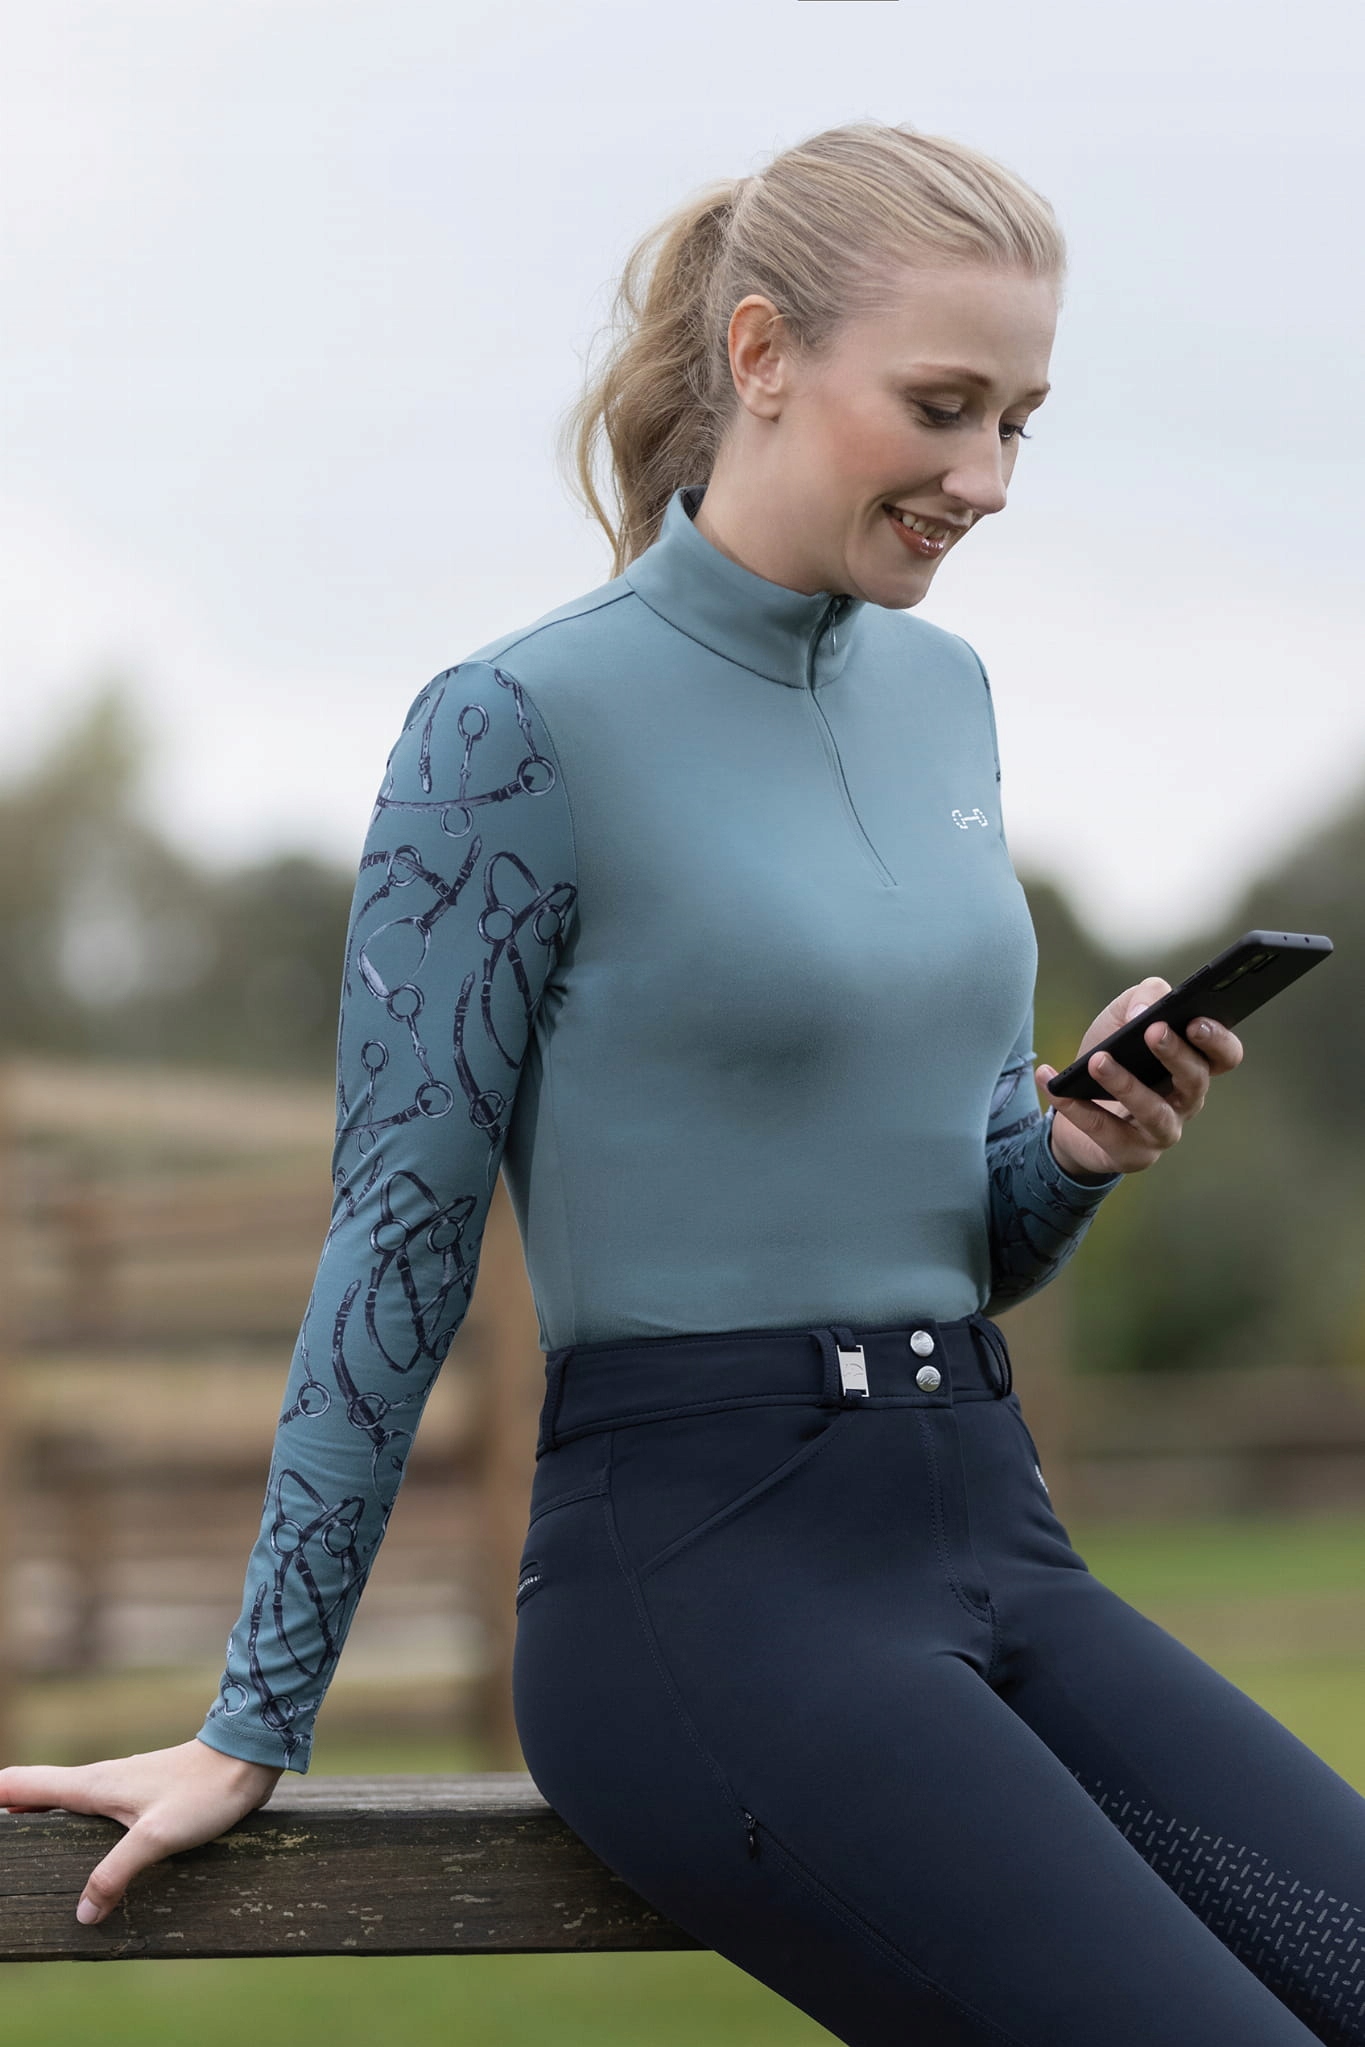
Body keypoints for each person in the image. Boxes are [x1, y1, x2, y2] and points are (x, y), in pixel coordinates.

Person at [3, 119, 1362, 2046]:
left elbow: (952, 1237)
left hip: (988, 1527)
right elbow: (395, 1245)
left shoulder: (944, 696)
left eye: (1018, 422)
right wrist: (254, 1719)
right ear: (759, 354)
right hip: (704, 1595)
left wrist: (1061, 1153)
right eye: (941, 408)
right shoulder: (512, 727)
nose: (984, 477)